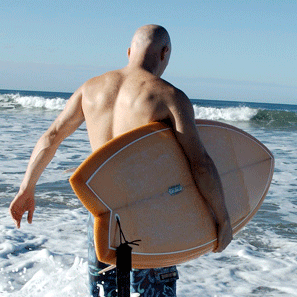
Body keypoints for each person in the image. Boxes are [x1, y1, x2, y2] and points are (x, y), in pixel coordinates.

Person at [9, 24, 232, 296]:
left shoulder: (90, 89)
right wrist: (222, 220)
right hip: (148, 220)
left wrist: (26, 188)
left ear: (129, 52)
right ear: (165, 53)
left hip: (102, 216)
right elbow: (201, 164)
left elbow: (52, 137)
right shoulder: (169, 96)